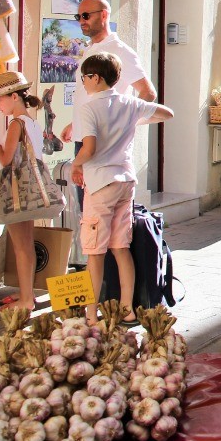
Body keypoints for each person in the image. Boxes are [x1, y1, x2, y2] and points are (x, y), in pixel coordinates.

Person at [71, 52, 173, 325]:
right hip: (125, 181)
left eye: (84, 78)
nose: (83, 83)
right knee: (120, 247)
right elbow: (167, 113)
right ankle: (127, 309)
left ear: (95, 77)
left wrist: (75, 164)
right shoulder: (130, 103)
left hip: (100, 182)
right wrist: (133, 120)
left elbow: (89, 148)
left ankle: (92, 315)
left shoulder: (89, 108)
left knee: (94, 252)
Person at [59, 0, 156, 207]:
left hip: (102, 145)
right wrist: (75, 123)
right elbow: (91, 98)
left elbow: (148, 94)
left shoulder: (121, 52)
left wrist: (123, 124)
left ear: (104, 15)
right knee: (89, 212)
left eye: (86, 15)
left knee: (100, 214)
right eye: (78, 16)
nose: (81, 21)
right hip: (84, 138)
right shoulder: (89, 49)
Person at [0, 71, 45, 313]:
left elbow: (6, 159)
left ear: (13, 96)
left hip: (18, 190)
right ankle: (27, 293)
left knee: (21, 246)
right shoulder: (32, 121)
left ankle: (25, 300)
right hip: (33, 187)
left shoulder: (16, 124)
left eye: (0, 100)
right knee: (27, 244)